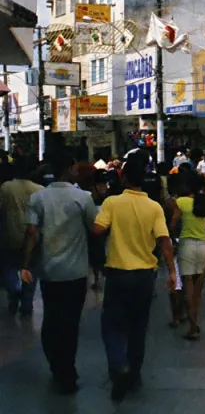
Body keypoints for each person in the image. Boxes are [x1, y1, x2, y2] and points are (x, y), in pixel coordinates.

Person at [94, 155, 177, 401]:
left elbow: (97, 230)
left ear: (123, 177)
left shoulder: (112, 202)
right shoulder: (154, 207)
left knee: (112, 324)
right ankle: (134, 373)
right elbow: (165, 242)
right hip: (144, 276)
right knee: (138, 326)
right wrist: (172, 272)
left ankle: (119, 364)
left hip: (118, 274)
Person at [22, 150, 97, 394]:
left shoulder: (38, 198)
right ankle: (67, 368)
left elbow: (32, 233)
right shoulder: (83, 197)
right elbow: (94, 229)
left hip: (49, 271)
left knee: (52, 319)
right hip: (75, 272)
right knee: (71, 323)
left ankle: (57, 364)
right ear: (72, 167)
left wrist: (25, 264)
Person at [168, 171, 205, 340]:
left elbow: (172, 225)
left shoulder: (181, 202)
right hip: (203, 245)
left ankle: (193, 327)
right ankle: (195, 321)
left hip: (186, 244)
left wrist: (172, 240)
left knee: (187, 286)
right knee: (198, 290)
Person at [0, 154, 42, 315]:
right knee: (31, 269)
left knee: (9, 268)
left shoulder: (6, 188)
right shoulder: (39, 190)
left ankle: (14, 293)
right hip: (33, 238)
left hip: (10, 235)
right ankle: (26, 303)